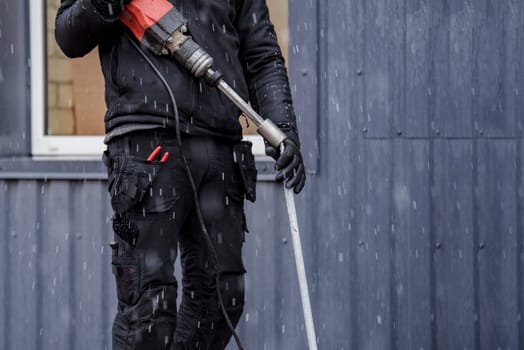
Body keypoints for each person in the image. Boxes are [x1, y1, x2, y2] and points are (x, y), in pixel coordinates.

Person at [55, 0, 306, 348]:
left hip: (221, 152)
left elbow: (261, 53)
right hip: (145, 155)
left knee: (221, 301)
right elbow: (68, 35)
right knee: (146, 311)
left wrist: (283, 128)